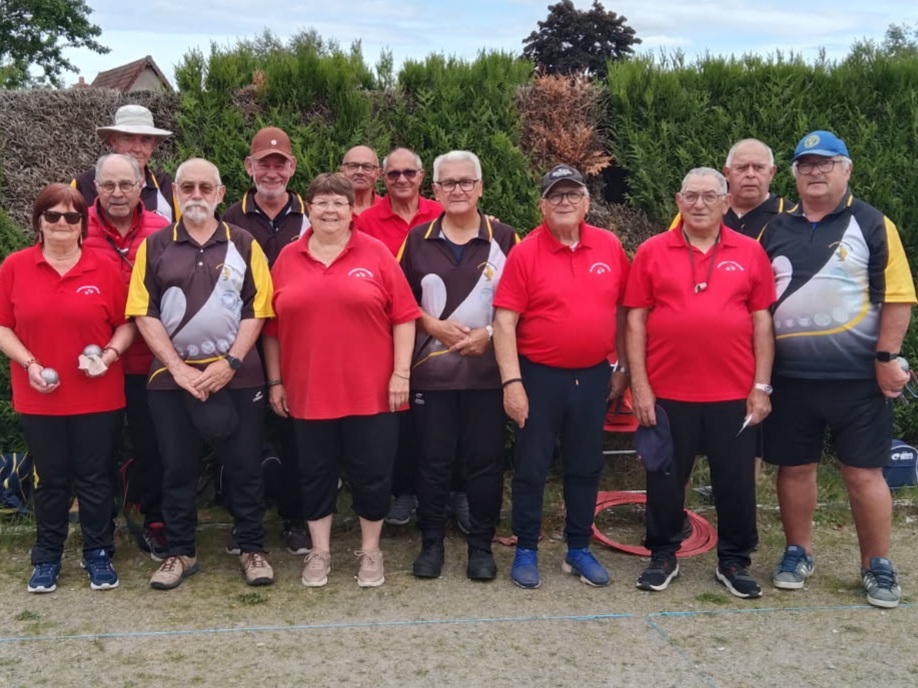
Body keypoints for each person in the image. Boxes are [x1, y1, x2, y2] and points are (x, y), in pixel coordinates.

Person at [760, 130, 916, 608]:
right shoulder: (776, 229)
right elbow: (757, 306)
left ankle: (876, 565)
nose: (815, 171)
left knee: (863, 473)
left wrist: (887, 358)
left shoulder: (872, 222)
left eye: (826, 162)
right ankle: (797, 552)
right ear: (794, 175)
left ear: (846, 169)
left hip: (857, 381)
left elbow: (898, 297)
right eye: (805, 164)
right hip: (790, 380)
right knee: (795, 468)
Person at [625, 167, 777, 599]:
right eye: (691, 196)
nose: (700, 204)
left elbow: (762, 321)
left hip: (733, 392)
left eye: (710, 196)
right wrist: (640, 385)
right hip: (668, 392)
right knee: (664, 479)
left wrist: (761, 386)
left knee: (736, 482)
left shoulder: (750, 252)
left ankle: (734, 560)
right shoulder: (652, 251)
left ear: (726, 202)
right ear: (678, 201)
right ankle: (663, 555)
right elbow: (635, 320)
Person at [263, 172, 419, 588]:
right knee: (314, 473)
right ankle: (321, 552)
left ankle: (370, 552)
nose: (330, 210)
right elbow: (271, 328)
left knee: (373, 474)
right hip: (309, 391)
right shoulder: (286, 259)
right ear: (308, 209)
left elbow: (405, 317)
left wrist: (401, 373)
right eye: (321, 202)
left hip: (373, 392)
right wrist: (276, 382)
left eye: (339, 203)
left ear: (352, 210)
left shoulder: (378, 254)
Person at [126, 158, 276, 590]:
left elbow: (258, 308)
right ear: (175, 192)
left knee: (245, 467)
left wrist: (229, 362)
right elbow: (143, 311)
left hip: (238, 376)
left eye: (205, 187)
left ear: (220, 193)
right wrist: (176, 368)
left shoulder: (244, 242)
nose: (196, 195)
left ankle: (251, 548)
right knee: (177, 468)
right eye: (187, 187)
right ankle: (180, 553)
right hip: (171, 382)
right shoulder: (154, 246)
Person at [493, 164, 630, 589]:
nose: (565, 202)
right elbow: (503, 323)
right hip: (538, 376)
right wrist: (512, 383)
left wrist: (622, 367)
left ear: (587, 202)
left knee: (586, 465)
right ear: (542, 205)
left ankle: (578, 549)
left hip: (592, 376)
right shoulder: (525, 252)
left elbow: (626, 313)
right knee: (532, 466)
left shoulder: (608, 246)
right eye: (556, 196)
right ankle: (527, 549)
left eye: (573, 194)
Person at [0, 183, 134, 593]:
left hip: (98, 393)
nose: (61, 222)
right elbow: (3, 326)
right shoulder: (15, 267)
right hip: (39, 394)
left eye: (72, 216)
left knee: (95, 477)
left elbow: (127, 325)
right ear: (39, 221)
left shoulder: (104, 268)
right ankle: (47, 554)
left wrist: (108, 356)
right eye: (52, 215)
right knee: (51, 479)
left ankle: (97, 551)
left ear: (82, 225)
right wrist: (30, 364)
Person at [399, 150, 518, 580]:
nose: (458, 190)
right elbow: (399, 302)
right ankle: (431, 543)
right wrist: (431, 323)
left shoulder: (504, 237)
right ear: (435, 190)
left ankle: (480, 548)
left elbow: (519, 304)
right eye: (448, 183)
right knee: (431, 463)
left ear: (481, 187)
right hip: (431, 376)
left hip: (488, 376)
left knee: (486, 462)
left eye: (466, 182)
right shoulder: (416, 240)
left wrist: (486, 335)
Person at [222, 127, 310, 556]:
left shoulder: (315, 214)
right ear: (249, 167)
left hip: (298, 345)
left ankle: (295, 519)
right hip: (243, 345)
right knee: (244, 442)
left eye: (280, 164)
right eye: (264, 163)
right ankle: (247, 524)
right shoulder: (229, 219)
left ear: (292, 168)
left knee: (296, 438)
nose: (271, 172)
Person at [84, 153, 170, 560]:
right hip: (91, 367)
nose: (116, 193)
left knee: (152, 448)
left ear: (141, 187)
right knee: (96, 453)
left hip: (146, 363)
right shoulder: (74, 224)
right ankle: (100, 533)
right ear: (95, 187)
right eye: (107, 185)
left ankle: (155, 522)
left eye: (125, 185)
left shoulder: (162, 228)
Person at [355, 147, 444, 525]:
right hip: (386, 339)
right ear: (382, 178)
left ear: (422, 176)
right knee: (400, 422)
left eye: (409, 173)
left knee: (442, 421)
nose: (402, 180)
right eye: (393, 174)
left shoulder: (442, 213)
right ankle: (404, 492)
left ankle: (451, 494)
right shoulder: (366, 222)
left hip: (441, 339)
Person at [72, 105, 176, 222]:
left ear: (154, 144)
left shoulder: (165, 186)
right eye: (128, 138)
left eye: (146, 139)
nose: (137, 148)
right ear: (114, 141)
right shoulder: (83, 185)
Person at [340, 145, 384, 215]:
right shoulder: (331, 209)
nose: (359, 172)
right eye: (353, 166)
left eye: (367, 167)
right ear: (342, 171)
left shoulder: (388, 210)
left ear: (378, 174)